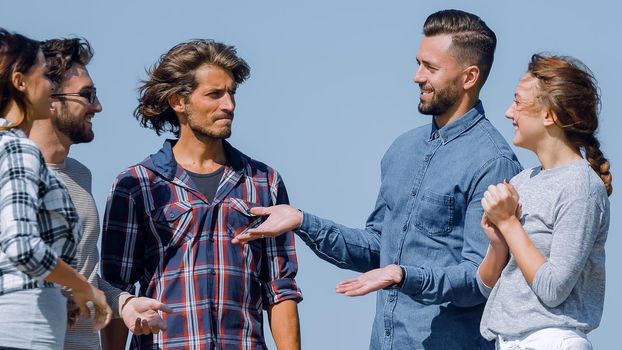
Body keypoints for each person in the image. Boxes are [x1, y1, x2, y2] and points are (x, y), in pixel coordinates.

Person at [232, 9, 522, 349]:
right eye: (418, 63)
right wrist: (301, 221)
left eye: (430, 67)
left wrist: (402, 275)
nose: (417, 76)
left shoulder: (493, 162)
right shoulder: (402, 150)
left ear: (469, 77)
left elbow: (479, 279)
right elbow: (377, 248)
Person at [101, 39, 303, 349]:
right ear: (178, 102)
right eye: (214, 95)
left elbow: (280, 289)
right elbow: (117, 290)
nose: (229, 105)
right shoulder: (136, 185)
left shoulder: (264, 182)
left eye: (232, 93)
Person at [26, 37, 172, 350]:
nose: (98, 106)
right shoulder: (10, 172)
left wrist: (125, 304)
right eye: (87, 95)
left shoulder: (80, 175)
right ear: (48, 99)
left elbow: (84, 277)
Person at [477, 54, 612, 349]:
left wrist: (509, 223)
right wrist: (497, 241)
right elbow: (487, 288)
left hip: (551, 340)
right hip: (507, 341)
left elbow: (553, 289)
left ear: (550, 115)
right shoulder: (520, 183)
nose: (508, 112)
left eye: (517, 102)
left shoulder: (581, 187)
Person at [0, 28, 111, 350]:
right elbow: (22, 245)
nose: (49, 87)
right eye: (42, 77)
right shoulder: (19, 150)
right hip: (24, 331)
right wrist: (82, 288)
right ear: (21, 83)